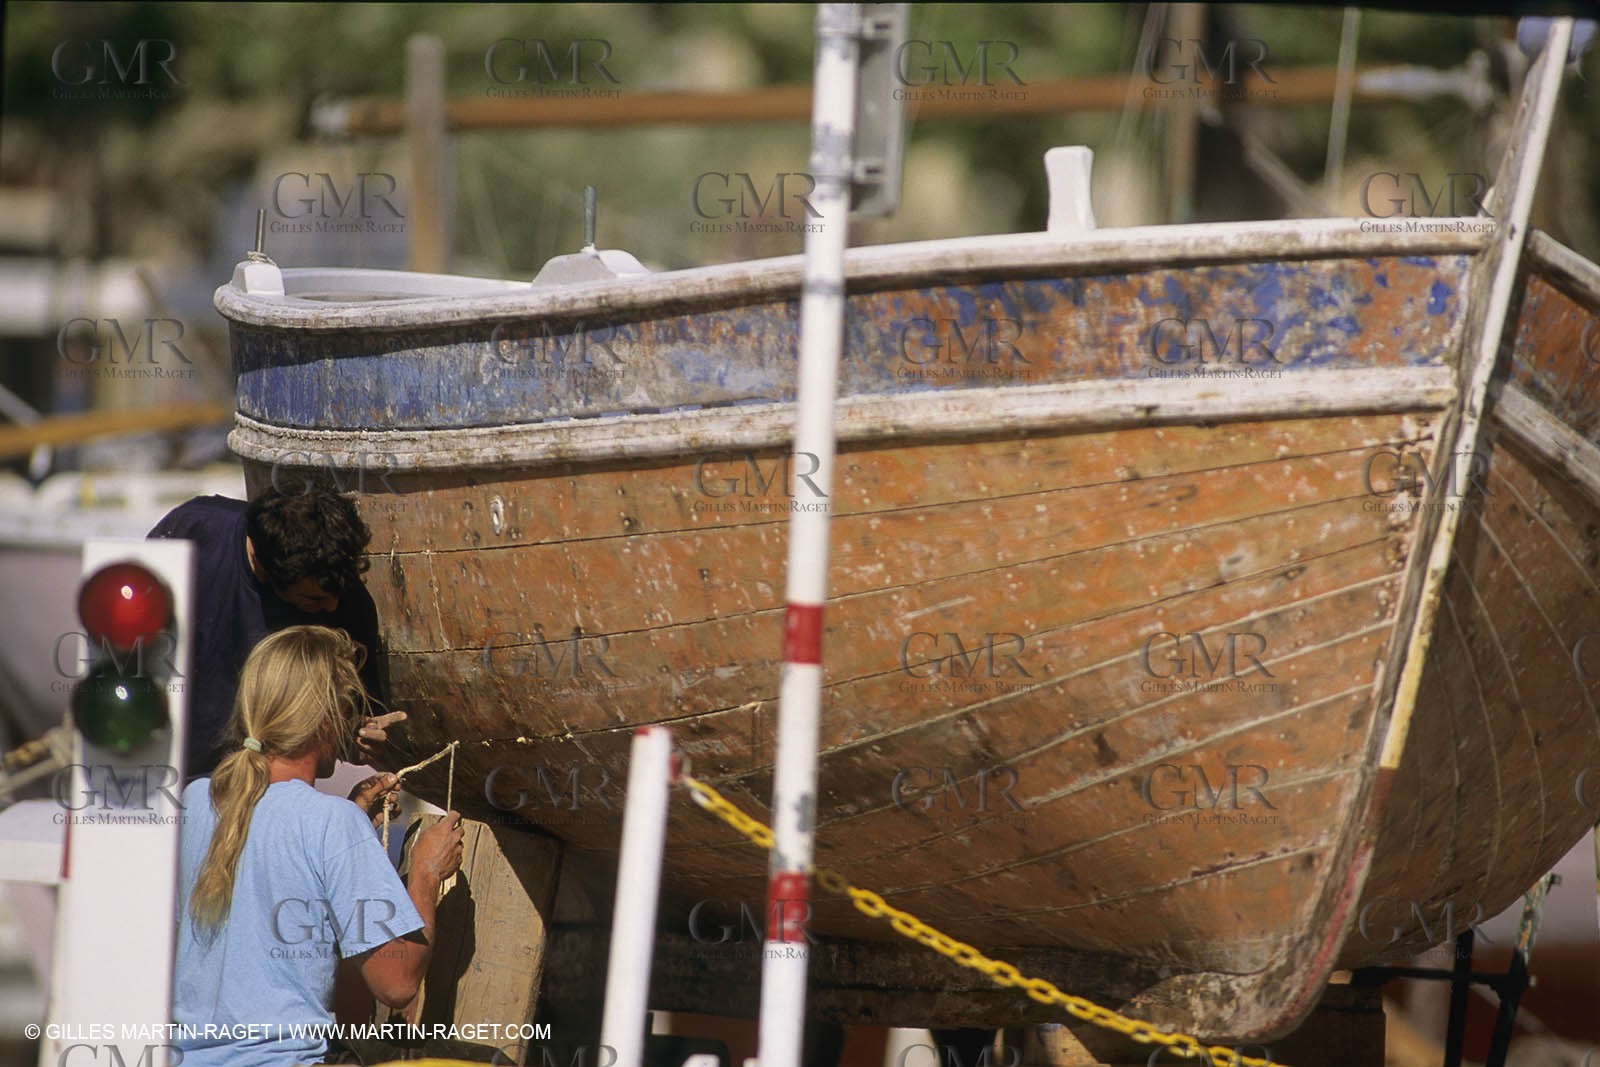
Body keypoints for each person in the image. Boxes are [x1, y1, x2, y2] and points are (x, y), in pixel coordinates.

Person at [174, 625, 463, 1067]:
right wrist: (425, 872)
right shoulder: (331, 822)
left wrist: (346, 845)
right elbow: (397, 982)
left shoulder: (196, 801)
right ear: (327, 718)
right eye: (349, 710)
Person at [149, 485, 404, 779]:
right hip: (162, 771)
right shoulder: (195, 533)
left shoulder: (348, 603)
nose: (332, 607)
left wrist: (354, 735)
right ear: (267, 571)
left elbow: (349, 718)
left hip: (263, 789)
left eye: (339, 594)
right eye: (314, 599)